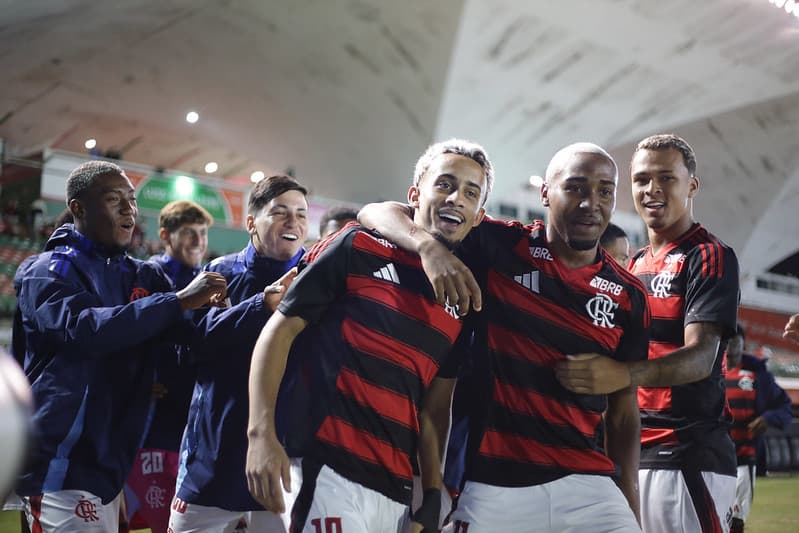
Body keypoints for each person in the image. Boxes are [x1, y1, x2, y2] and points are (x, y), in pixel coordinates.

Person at [359, 142, 650, 532]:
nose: (590, 203)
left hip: (588, 483)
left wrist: (628, 496)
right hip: (492, 483)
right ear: (545, 193)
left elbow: (624, 414)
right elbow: (376, 212)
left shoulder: (629, 296)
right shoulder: (499, 246)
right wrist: (429, 247)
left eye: (604, 191)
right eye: (576, 187)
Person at [246, 139, 492, 533]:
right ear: (415, 195)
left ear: (479, 216)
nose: (456, 199)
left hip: (394, 490)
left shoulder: (464, 299)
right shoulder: (357, 245)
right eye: (444, 184)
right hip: (326, 468)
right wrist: (260, 434)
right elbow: (278, 332)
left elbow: (434, 410)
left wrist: (431, 492)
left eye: (470, 192)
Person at [12, 160, 228, 533]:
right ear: (78, 208)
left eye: (131, 200)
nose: (130, 210)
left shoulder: (144, 276)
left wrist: (246, 310)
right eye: (115, 200)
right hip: (58, 466)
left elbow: (196, 338)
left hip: (112, 467)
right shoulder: (44, 270)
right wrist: (176, 301)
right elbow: (84, 329)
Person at [557, 134, 741, 532]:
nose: (651, 189)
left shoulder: (708, 255)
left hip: (687, 453)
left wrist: (623, 374)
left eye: (665, 178)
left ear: (691, 185)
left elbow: (701, 356)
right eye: (641, 179)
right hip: (629, 454)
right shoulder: (633, 264)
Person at [169, 175, 309, 533]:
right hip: (212, 466)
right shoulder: (218, 273)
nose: (293, 222)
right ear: (251, 223)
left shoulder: (318, 279)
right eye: (280, 213)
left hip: (285, 469)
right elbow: (191, 345)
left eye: (301, 214)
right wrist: (261, 305)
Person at [124, 200, 214, 533]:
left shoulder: (213, 280)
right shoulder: (149, 274)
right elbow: (128, 334)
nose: (198, 241)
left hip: (196, 431)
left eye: (203, 233)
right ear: (165, 235)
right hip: (154, 429)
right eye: (189, 233)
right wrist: (137, 380)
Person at [725, 325, 792, 533]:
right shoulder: (707, 370)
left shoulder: (757, 373)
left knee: (736, 520)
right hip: (713, 455)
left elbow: (784, 406)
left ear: (743, 343)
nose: (731, 347)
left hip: (745, 456)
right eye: (727, 341)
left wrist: (767, 418)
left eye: (735, 341)